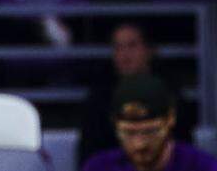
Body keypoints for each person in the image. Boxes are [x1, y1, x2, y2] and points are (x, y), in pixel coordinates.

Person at [79, 24, 193, 163]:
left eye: (132, 45)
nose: (124, 54)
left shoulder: (170, 93)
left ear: (149, 50)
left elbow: (183, 150)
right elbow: (90, 152)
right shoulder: (99, 96)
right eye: (118, 47)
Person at [82, 74, 217, 171]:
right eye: (129, 133)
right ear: (114, 125)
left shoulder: (201, 167)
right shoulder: (99, 167)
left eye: (150, 131)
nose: (140, 145)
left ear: (170, 120)